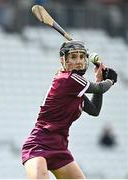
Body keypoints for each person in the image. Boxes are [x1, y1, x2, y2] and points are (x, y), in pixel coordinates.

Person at [21, 40, 117, 179]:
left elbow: (95, 110)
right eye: (73, 57)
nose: (78, 61)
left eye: (81, 57)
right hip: (39, 145)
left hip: (60, 149)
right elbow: (100, 88)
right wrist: (110, 80)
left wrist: (99, 79)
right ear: (63, 60)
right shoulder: (67, 79)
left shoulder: (75, 89)